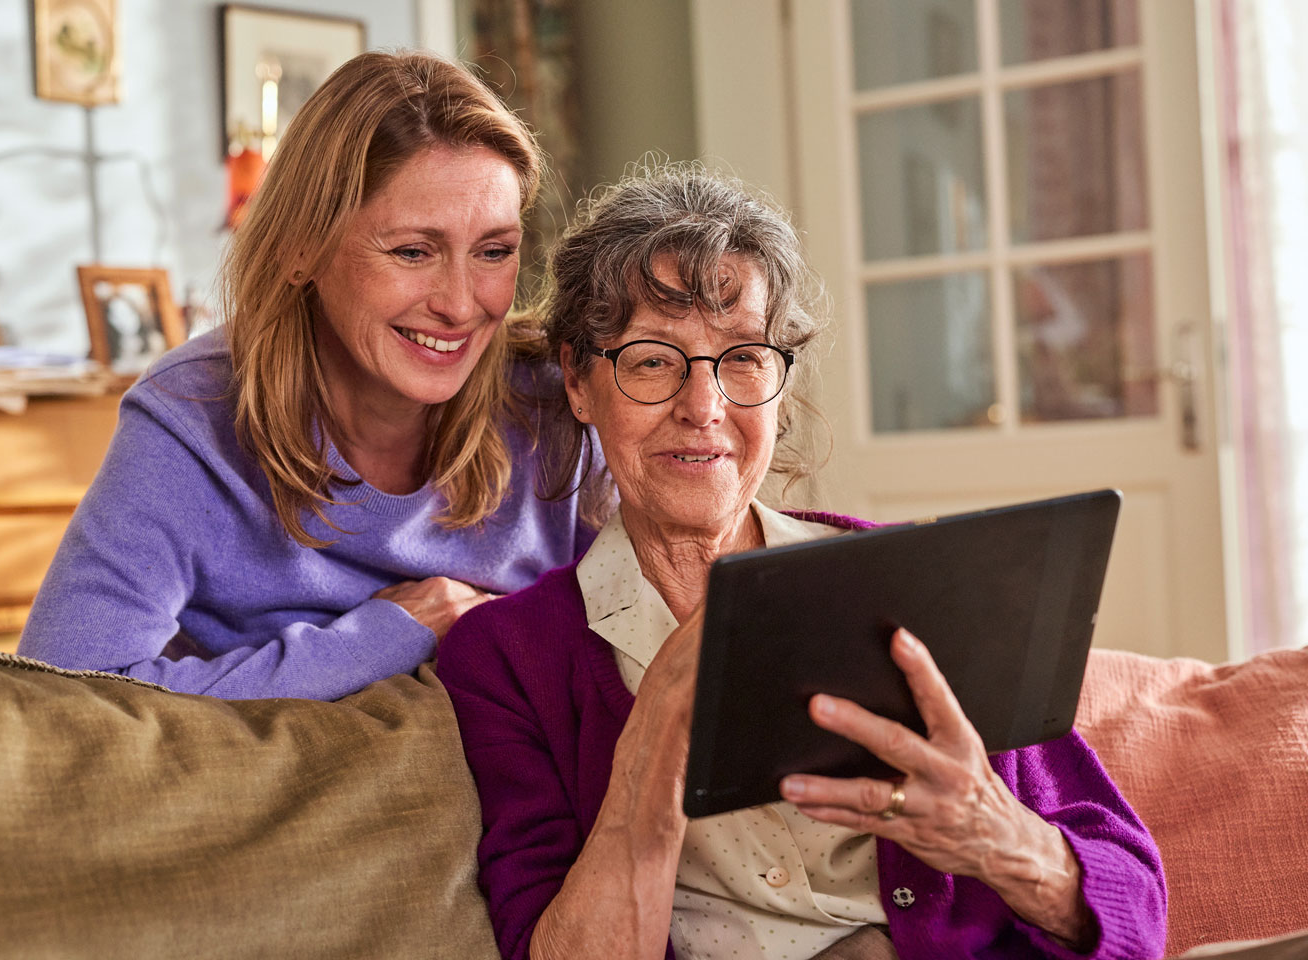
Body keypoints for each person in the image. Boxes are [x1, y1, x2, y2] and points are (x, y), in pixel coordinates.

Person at [436, 164, 1167, 960]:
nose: (704, 407)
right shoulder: (508, 660)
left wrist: (993, 834)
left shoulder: (908, 580)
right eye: (652, 360)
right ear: (579, 381)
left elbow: (1137, 911)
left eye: (743, 359)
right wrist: (653, 749)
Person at [18, 51, 593, 700]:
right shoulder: (192, 415)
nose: (462, 304)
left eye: (494, 251)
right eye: (412, 251)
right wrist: (390, 633)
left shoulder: (563, 401)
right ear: (301, 249)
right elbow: (63, 694)